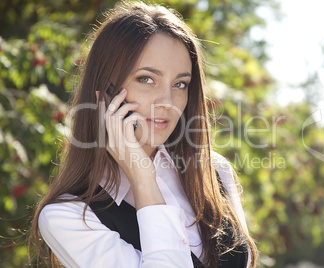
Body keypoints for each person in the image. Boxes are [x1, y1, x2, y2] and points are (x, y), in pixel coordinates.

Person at [30, 1, 258, 267]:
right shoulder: (68, 216)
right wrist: (142, 177)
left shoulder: (214, 172)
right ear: (105, 90)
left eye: (180, 84)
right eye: (146, 79)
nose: (167, 101)